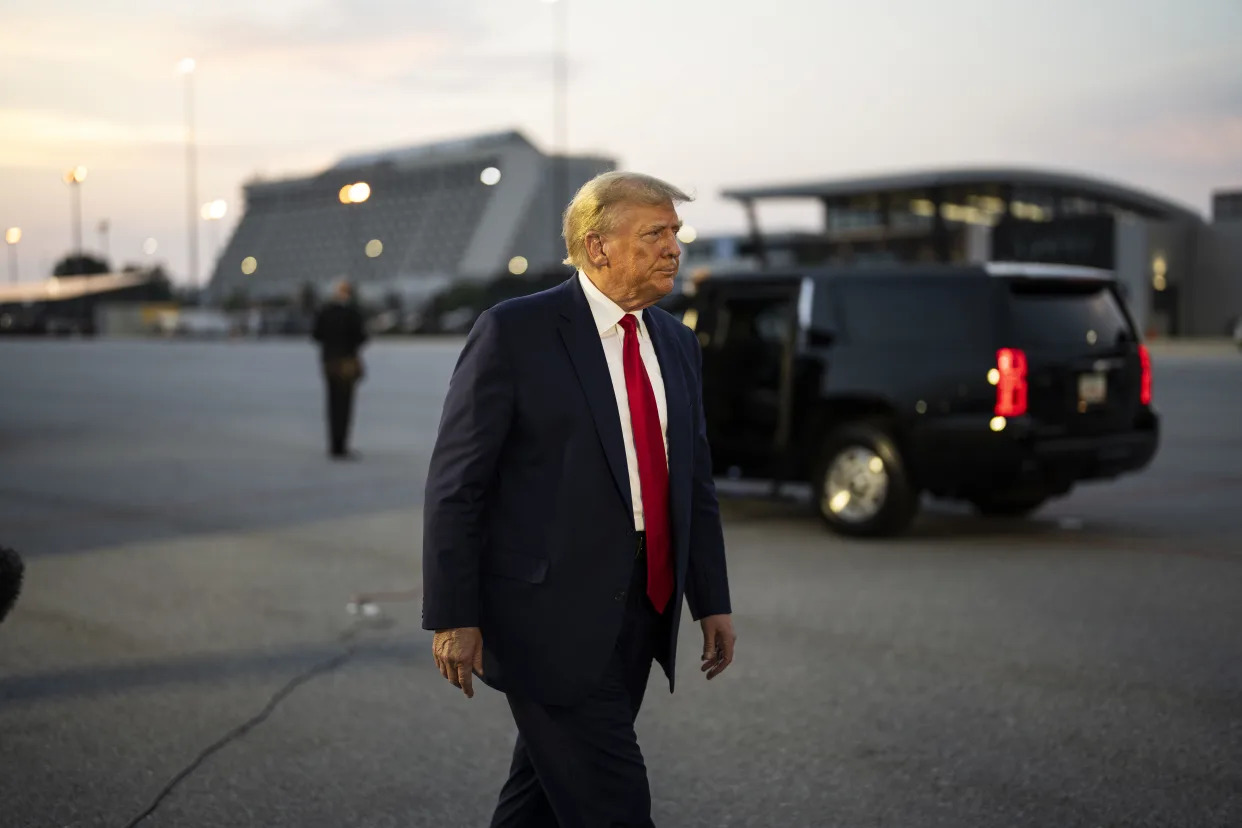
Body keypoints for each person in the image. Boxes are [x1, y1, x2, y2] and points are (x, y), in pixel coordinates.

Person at [422, 171, 736, 827]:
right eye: (655, 235)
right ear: (597, 247)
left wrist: (712, 600)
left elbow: (693, 483)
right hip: (545, 619)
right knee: (614, 805)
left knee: (538, 798)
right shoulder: (516, 331)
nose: (674, 249)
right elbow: (459, 484)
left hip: (643, 609)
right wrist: (454, 614)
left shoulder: (676, 343)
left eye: (675, 234)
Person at [311, 279, 368, 459]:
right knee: (345, 405)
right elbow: (362, 337)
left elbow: (316, 335)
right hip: (346, 363)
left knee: (332, 403)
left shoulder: (325, 312)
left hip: (329, 363)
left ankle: (333, 445)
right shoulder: (352, 313)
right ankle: (342, 445)